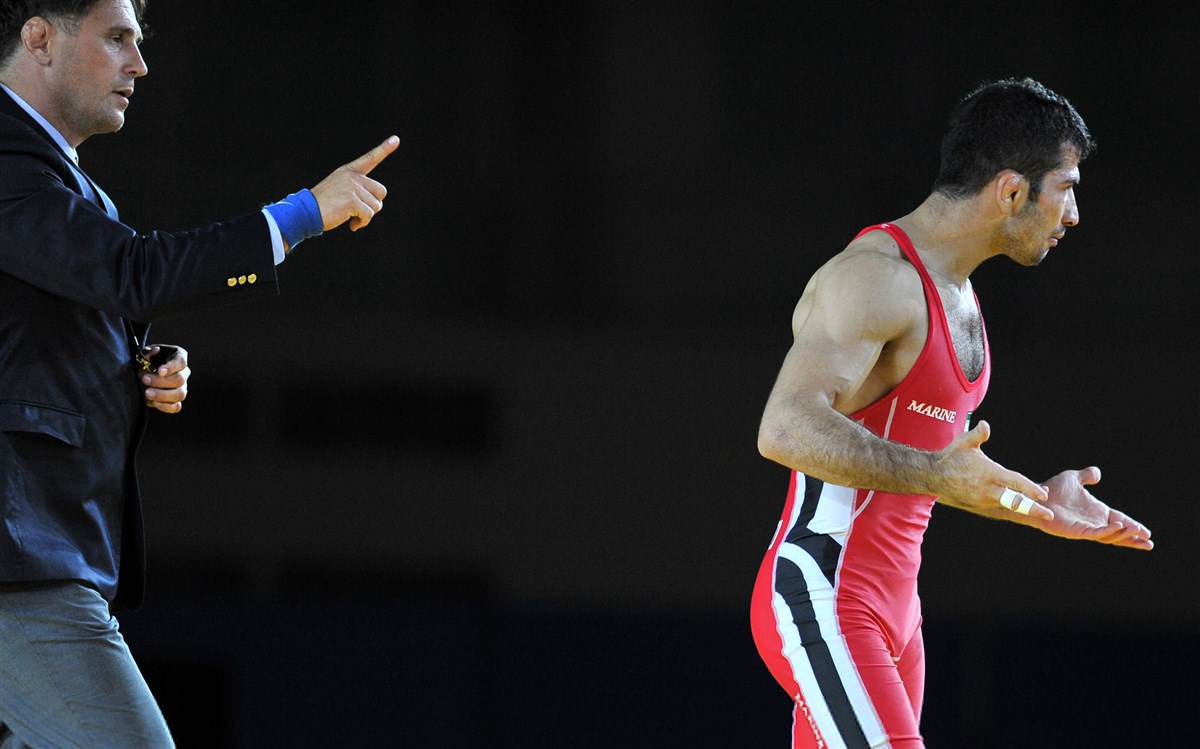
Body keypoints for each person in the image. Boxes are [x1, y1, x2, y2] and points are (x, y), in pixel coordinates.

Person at [0, 1, 398, 746]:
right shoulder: (9, 164)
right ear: (40, 39)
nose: (139, 64)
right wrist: (301, 214)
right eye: (118, 38)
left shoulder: (54, 178)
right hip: (18, 563)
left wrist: (132, 367)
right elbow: (135, 273)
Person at [749, 77, 1154, 749]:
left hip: (898, 615)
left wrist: (1035, 504)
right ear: (1012, 191)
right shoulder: (873, 278)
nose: (1074, 214)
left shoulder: (957, 294)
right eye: (1066, 187)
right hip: (826, 593)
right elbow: (784, 428)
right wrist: (938, 475)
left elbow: (937, 464)